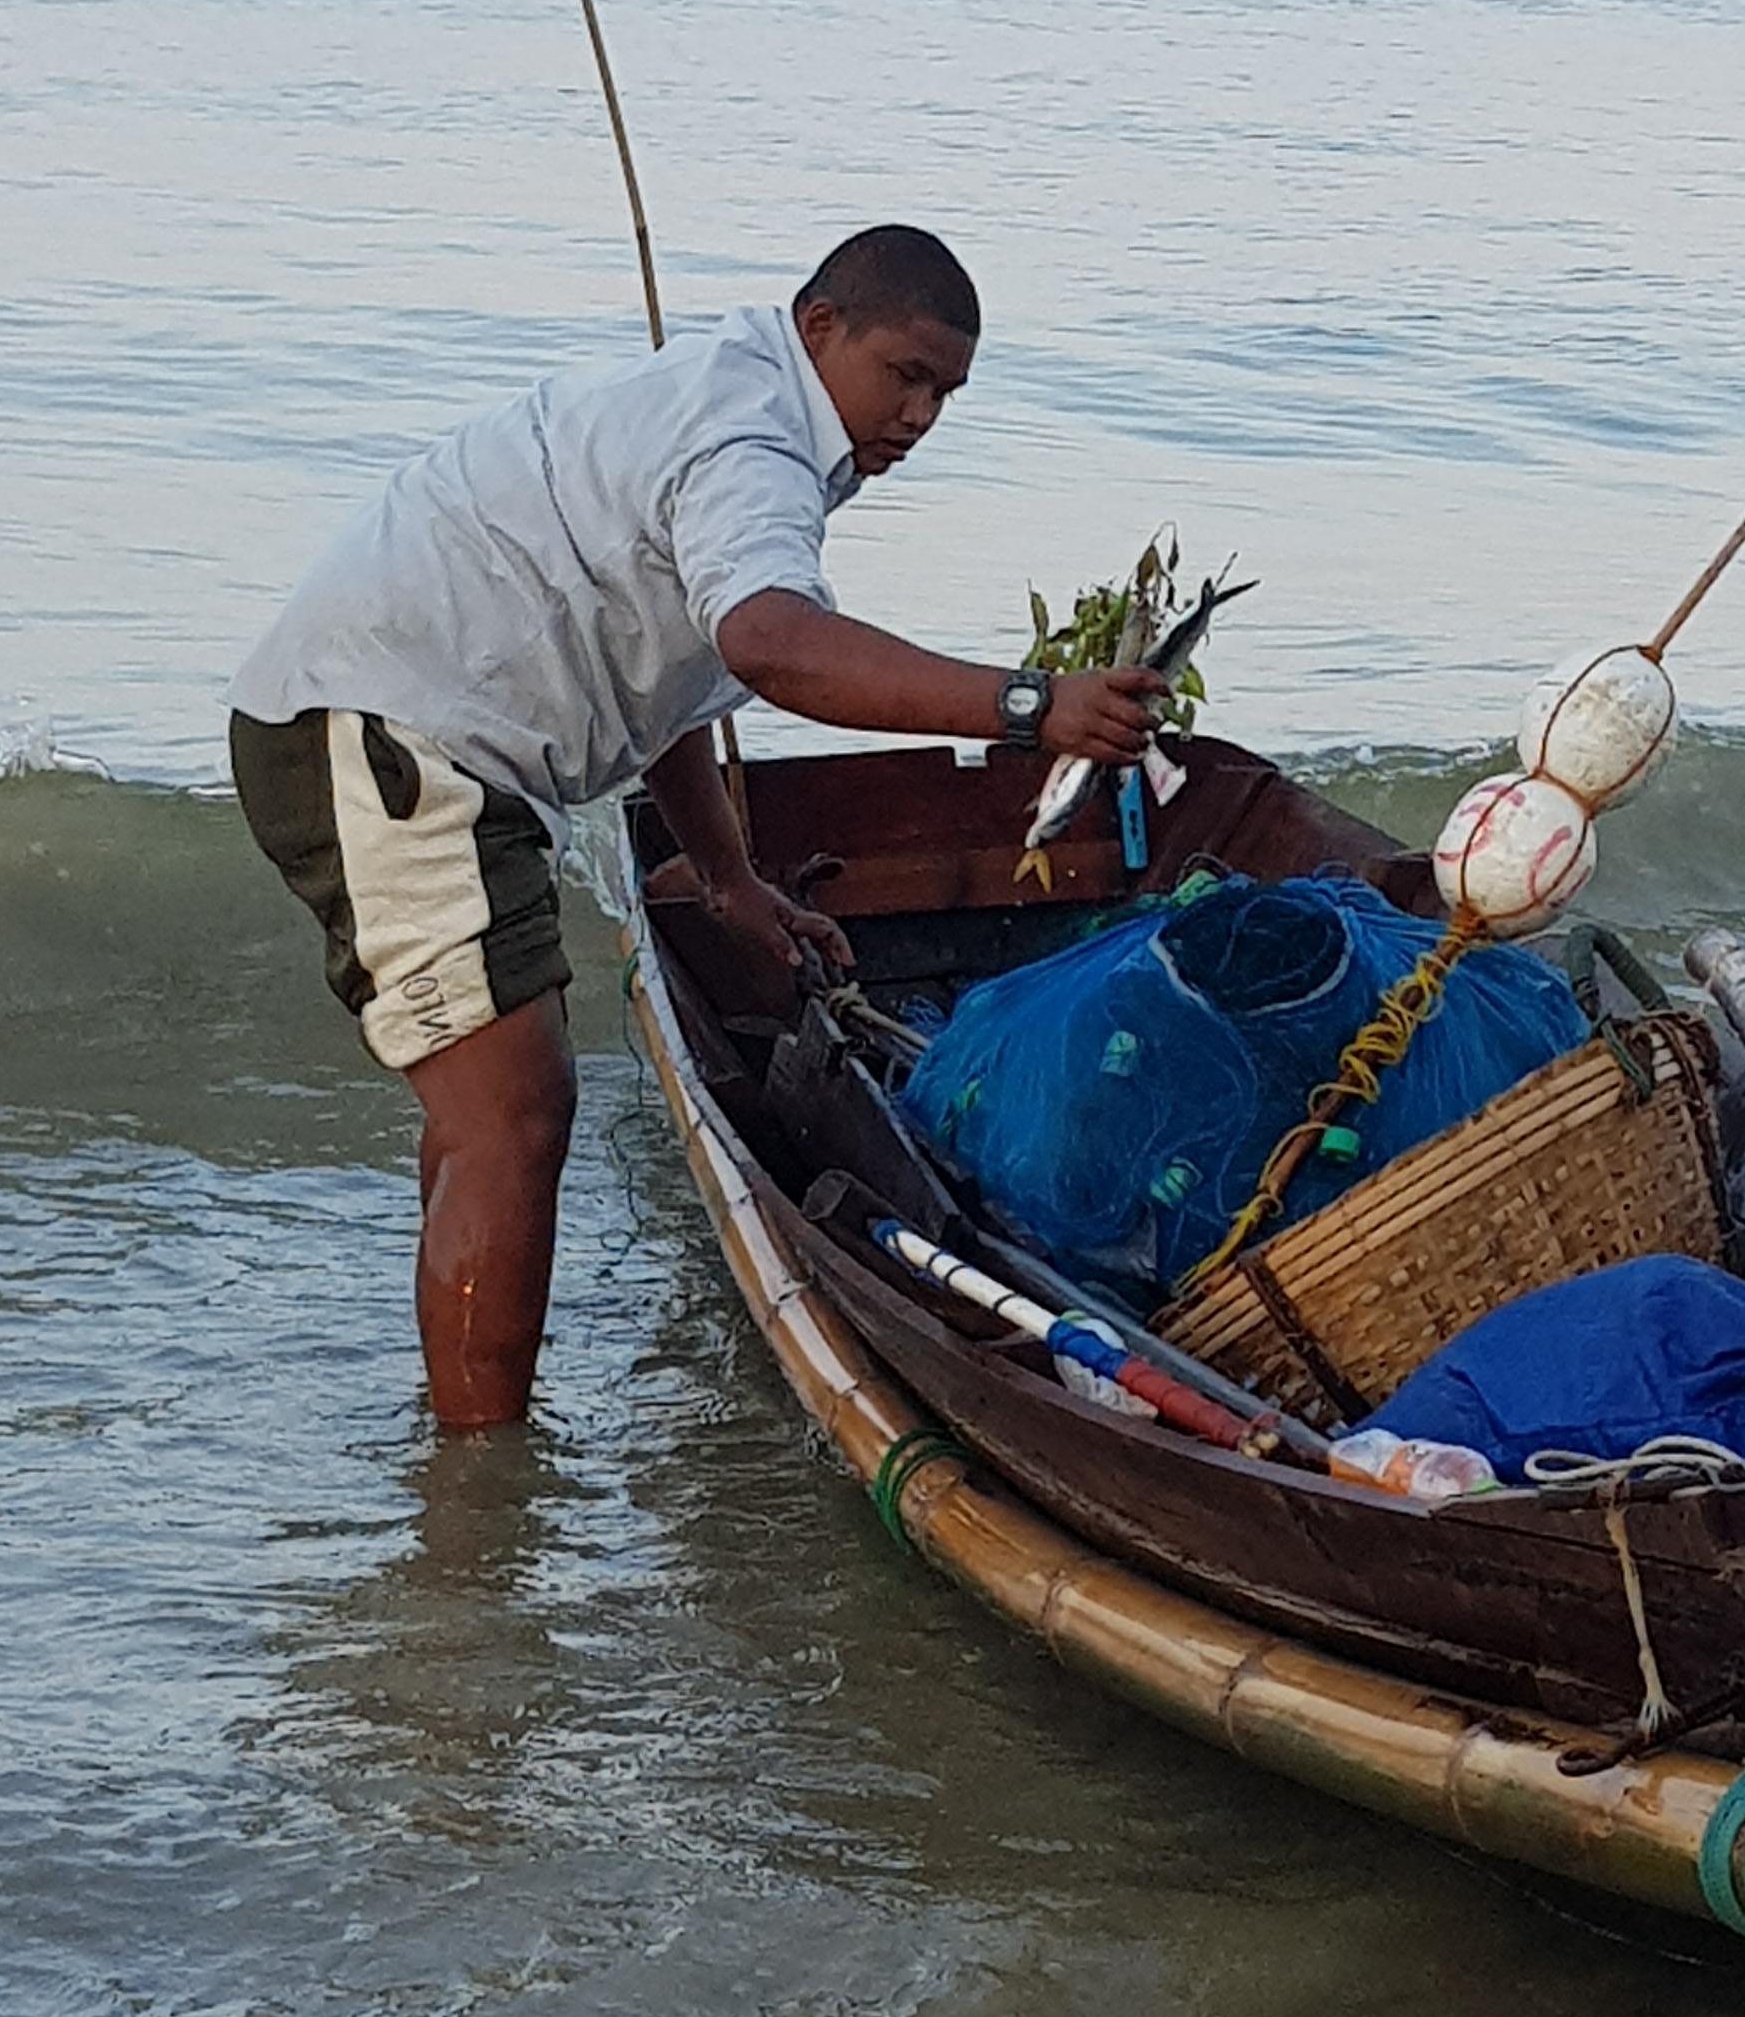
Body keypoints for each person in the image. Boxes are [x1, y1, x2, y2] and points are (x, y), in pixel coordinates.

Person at [230, 224, 1167, 1433]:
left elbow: (665, 676)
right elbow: (766, 643)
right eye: (905, 375)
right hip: (387, 732)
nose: (923, 416)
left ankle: (460, 1421)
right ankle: (475, 1510)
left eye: (948, 392)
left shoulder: (740, 395)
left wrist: (730, 882)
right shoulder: (751, 438)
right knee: (511, 1118)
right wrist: (1029, 707)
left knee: (493, 1119)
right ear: (819, 325)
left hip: (425, 735)